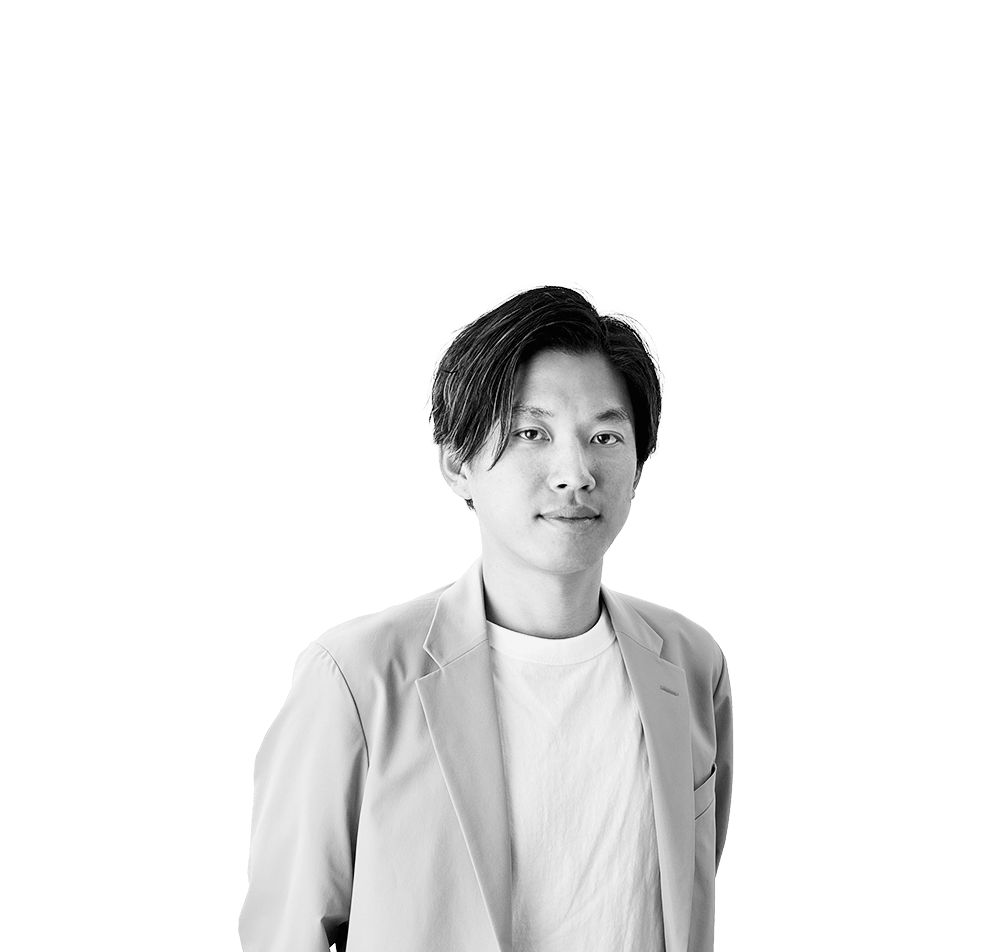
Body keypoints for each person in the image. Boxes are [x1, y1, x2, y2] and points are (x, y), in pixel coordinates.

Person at [239, 280, 733, 952]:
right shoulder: (354, 678)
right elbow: (285, 937)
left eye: (606, 436)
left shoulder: (692, 662)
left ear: (640, 463)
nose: (575, 472)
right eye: (532, 433)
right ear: (457, 465)